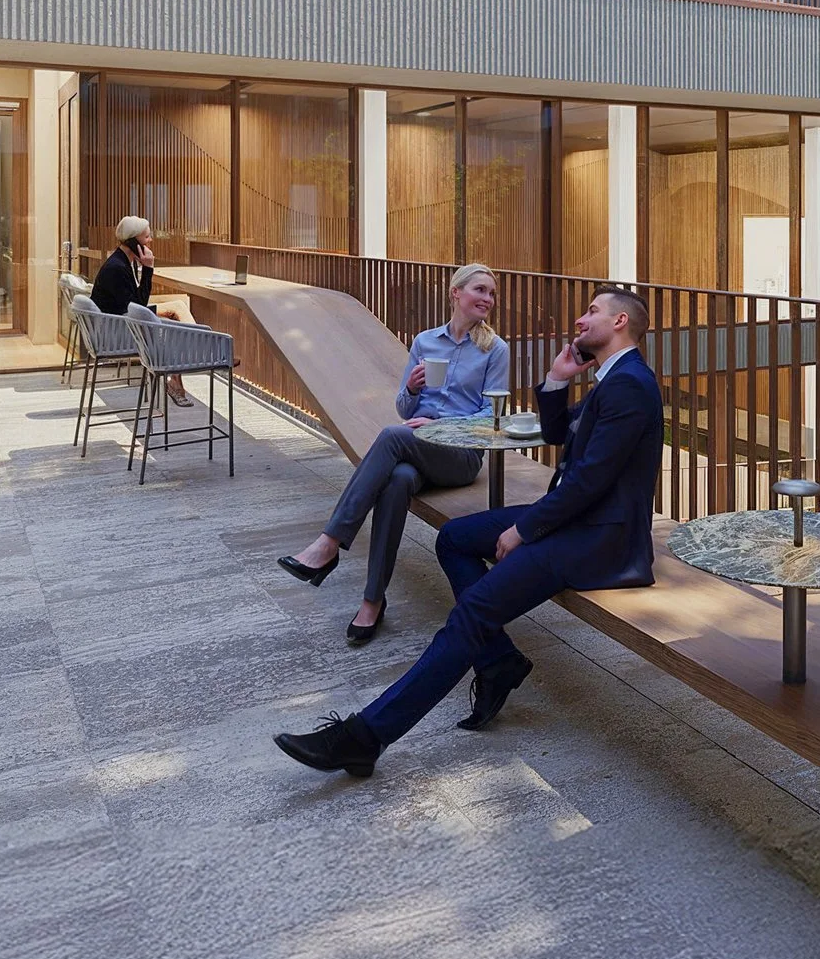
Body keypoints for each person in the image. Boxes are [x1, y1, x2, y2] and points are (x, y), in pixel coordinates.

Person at [276, 285, 661, 777]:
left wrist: (524, 529)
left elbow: (590, 481)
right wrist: (555, 379)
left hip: (598, 538)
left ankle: (365, 737)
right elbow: (559, 432)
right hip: (575, 520)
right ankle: (498, 660)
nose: (582, 321)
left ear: (621, 323)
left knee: (473, 612)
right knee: (454, 538)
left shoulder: (630, 384)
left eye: (592, 313)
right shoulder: (614, 378)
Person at [279, 264, 510, 645]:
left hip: (461, 455)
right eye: (480, 290)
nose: (487, 299)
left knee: (391, 436)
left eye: (491, 294)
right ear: (456, 293)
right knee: (398, 480)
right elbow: (404, 407)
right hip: (420, 449)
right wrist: (414, 389)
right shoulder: (424, 342)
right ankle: (372, 600)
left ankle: (329, 543)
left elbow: (492, 415)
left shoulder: (493, 349)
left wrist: (439, 428)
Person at [94, 215, 197, 405]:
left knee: (178, 308)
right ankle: (202, 349)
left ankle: (176, 380)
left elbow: (136, 304)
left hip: (122, 320)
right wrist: (149, 268)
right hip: (119, 330)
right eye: (147, 237)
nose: (151, 240)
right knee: (174, 320)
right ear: (134, 241)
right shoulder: (116, 268)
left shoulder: (124, 261)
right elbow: (139, 306)